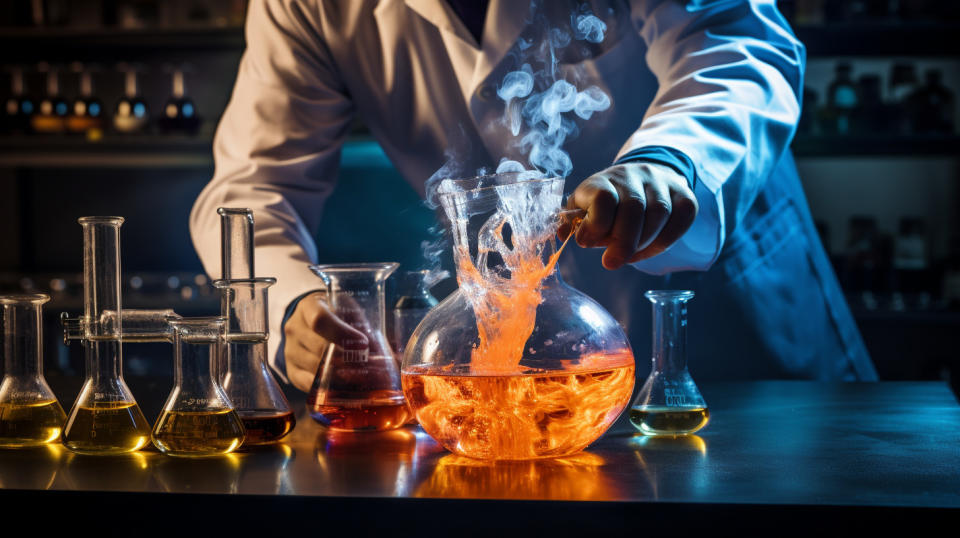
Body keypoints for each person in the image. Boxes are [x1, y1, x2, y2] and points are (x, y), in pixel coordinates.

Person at [190, 0, 877, 392]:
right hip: (510, 334)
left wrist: (669, 162)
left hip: (722, 296)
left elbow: (736, 44)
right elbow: (254, 186)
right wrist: (291, 307)